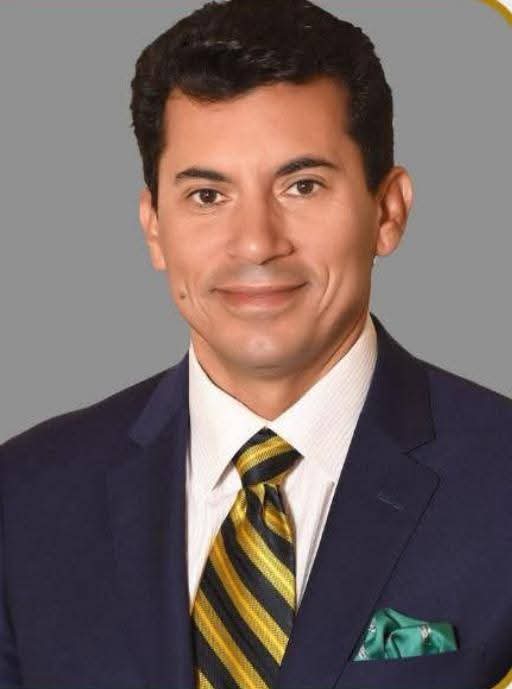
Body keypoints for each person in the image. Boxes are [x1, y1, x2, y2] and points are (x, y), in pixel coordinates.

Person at [1, 1, 511, 687]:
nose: (256, 244)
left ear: (387, 212)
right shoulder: (24, 501)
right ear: (154, 227)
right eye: (207, 196)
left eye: (303, 186)